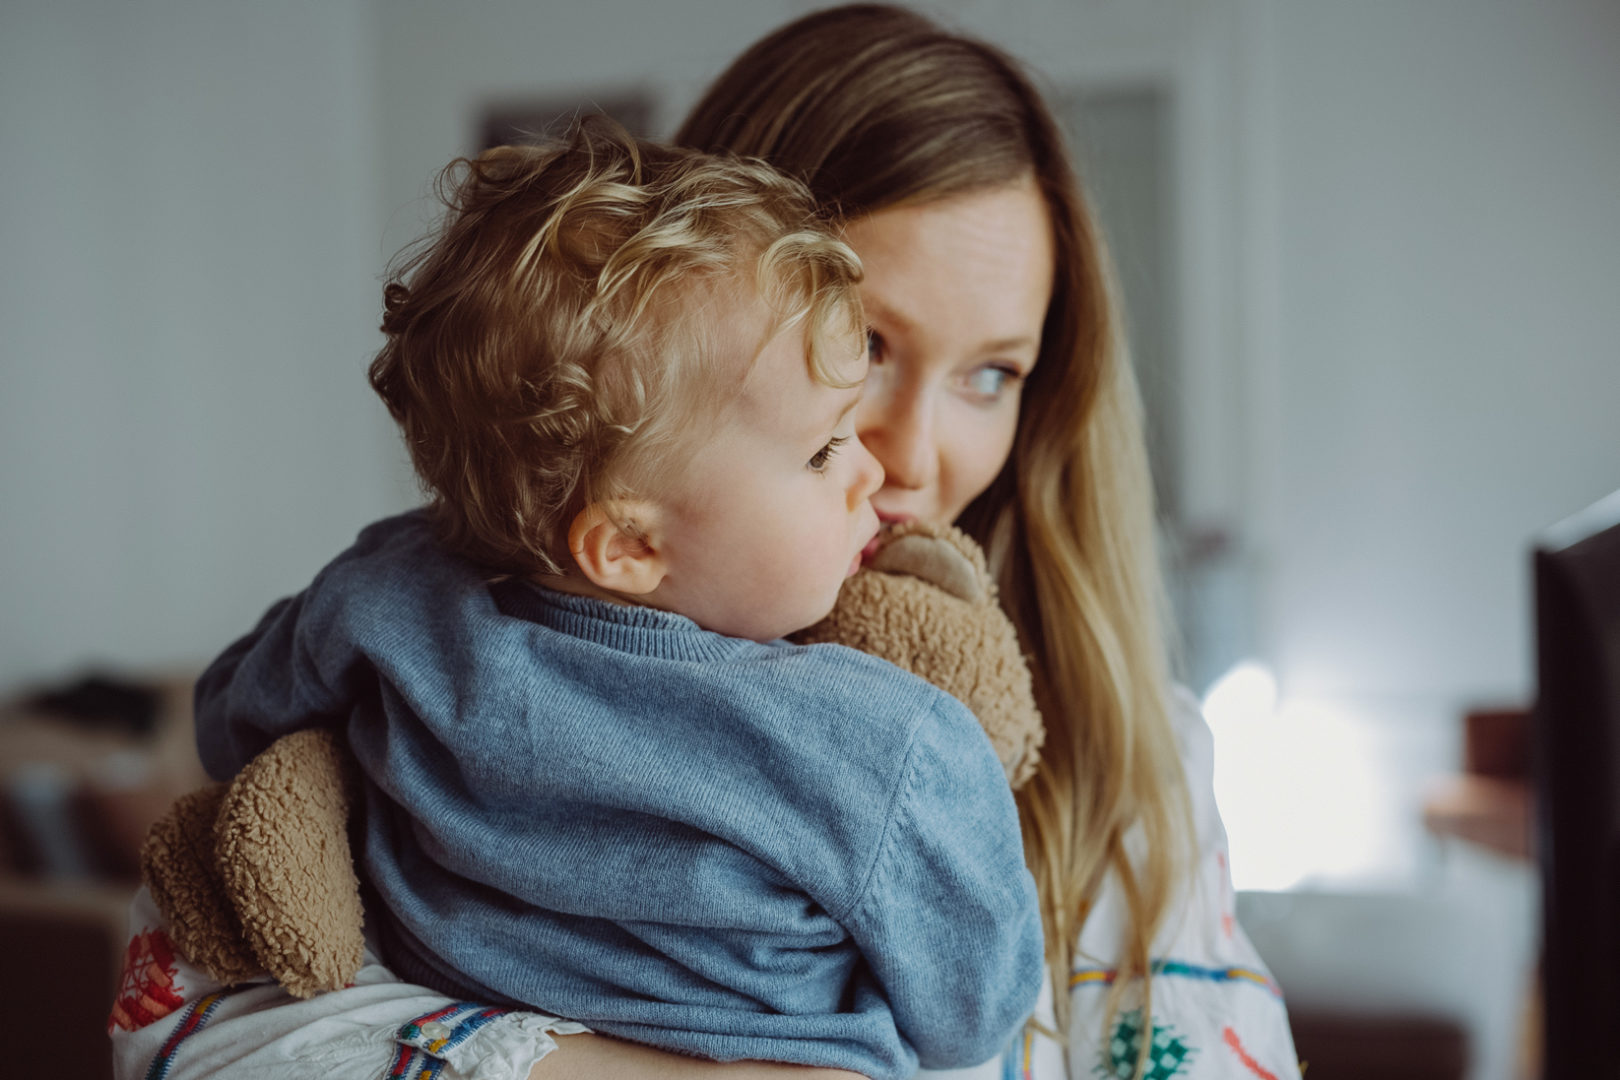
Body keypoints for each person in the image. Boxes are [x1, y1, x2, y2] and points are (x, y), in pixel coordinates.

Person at [110, 6, 1300, 1079]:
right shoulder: (413, 626)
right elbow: (194, 1033)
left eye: (994, 373)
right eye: (866, 348)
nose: (913, 455)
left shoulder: (1135, 765)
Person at [174, 118, 1043, 1080]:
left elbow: (231, 718)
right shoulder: (887, 744)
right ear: (628, 543)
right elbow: (977, 1015)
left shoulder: (390, 595)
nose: (875, 471)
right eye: (824, 447)